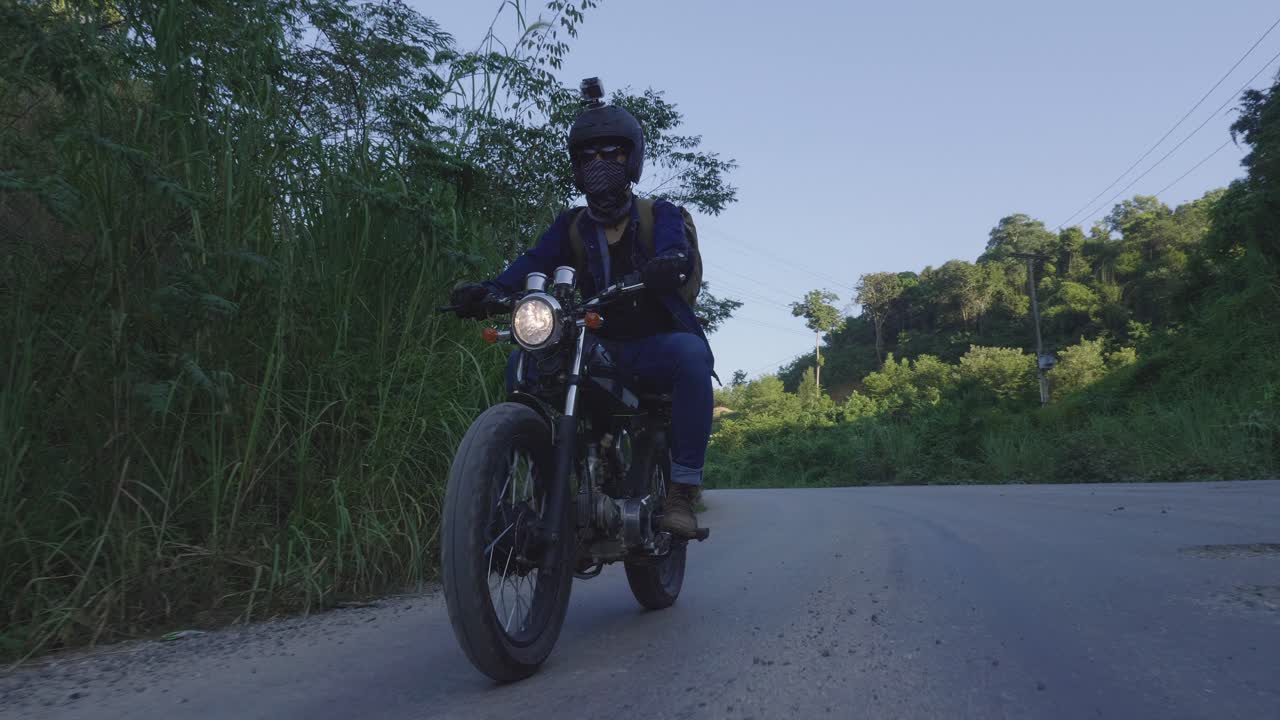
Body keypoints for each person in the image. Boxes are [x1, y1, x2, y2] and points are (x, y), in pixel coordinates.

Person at [449, 82, 714, 538]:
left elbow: (678, 254)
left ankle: (682, 492)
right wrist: (488, 291)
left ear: (631, 160)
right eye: (588, 156)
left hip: (652, 346)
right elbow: (532, 263)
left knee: (692, 356)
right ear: (576, 166)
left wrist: (670, 263)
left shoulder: (659, 214)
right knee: (521, 363)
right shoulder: (570, 225)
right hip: (591, 343)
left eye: (612, 154)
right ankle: (527, 477)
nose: (599, 163)